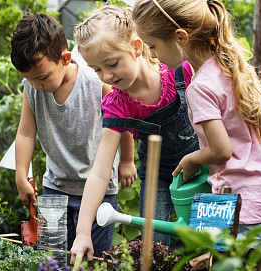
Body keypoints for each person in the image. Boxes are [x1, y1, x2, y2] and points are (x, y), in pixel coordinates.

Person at [132, 1, 261, 270]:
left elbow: (221, 150)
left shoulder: (201, 86)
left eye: (153, 46)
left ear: (180, 37)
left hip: (242, 202)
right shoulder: (233, 65)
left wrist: (192, 158)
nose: (152, 55)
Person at [70, 5, 199, 263]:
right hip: (158, 177)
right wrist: (82, 232)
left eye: (112, 63)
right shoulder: (118, 104)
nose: (106, 76)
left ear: (137, 47)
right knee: (153, 249)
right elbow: (99, 172)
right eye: (96, 69)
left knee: (208, 242)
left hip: (203, 168)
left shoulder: (180, 71)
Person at [11, 13, 135, 257]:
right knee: (53, 257)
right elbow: (25, 134)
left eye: (42, 77)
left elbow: (122, 121)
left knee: (94, 258)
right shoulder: (32, 89)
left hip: (99, 190)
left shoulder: (96, 83)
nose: (36, 85)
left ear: (65, 59)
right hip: (55, 188)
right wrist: (20, 174)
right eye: (29, 79)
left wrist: (128, 161)